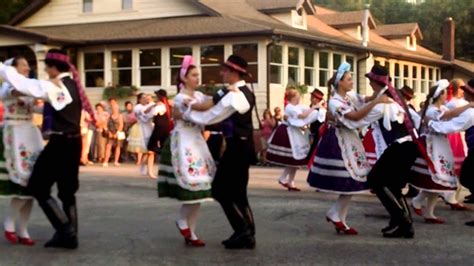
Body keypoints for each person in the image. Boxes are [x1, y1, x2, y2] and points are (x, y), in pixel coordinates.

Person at [0, 49, 96, 249]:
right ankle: (71, 235)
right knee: (67, 191)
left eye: (46, 66)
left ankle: (66, 232)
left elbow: (25, 85)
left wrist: (2, 68)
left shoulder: (56, 86)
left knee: (38, 187)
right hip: (74, 141)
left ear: (53, 68)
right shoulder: (72, 85)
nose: (44, 70)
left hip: (60, 143)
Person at [180, 55, 256, 249]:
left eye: (224, 70)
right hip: (241, 146)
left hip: (238, 147)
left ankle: (243, 232)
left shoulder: (235, 94)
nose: (221, 73)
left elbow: (212, 116)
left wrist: (185, 114)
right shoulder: (243, 91)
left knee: (221, 191)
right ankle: (247, 232)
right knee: (238, 193)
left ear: (233, 73)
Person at [307, 62, 387, 235]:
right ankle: (336, 215)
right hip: (339, 141)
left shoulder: (348, 97)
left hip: (350, 139)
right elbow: (355, 115)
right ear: (340, 82)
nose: (352, 82)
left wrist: (379, 83)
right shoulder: (335, 102)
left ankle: (339, 217)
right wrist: (377, 101)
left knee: (352, 181)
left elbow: (366, 99)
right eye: (349, 79)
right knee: (350, 180)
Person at [410, 80, 473, 223]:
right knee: (437, 178)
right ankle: (423, 207)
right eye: (445, 93)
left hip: (441, 145)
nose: (447, 96)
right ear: (440, 95)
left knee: (440, 180)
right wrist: (469, 105)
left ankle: (422, 206)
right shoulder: (432, 110)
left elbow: (450, 114)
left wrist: (468, 106)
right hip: (433, 145)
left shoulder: (441, 108)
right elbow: (446, 116)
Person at [0, 56, 43, 246]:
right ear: (13, 69)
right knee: (22, 183)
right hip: (15, 134)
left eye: (27, 65)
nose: (27, 68)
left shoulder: (30, 87)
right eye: (23, 65)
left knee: (33, 186)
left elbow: (38, 107)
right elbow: (16, 91)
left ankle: (22, 228)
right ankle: (9, 223)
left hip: (30, 134)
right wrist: (40, 90)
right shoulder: (8, 87)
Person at [427, 79, 474, 226]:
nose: (463, 92)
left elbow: (453, 126)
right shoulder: (468, 108)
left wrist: (429, 123)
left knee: (467, 176)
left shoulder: (471, 112)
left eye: (466, 90)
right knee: (467, 175)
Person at [267, 89, 324, 191]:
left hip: (294, 132)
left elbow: (304, 112)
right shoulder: (290, 107)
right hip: (287, 133)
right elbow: (302, 115)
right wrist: (314, 107)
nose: (299, 99)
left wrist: (316, 108)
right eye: (297, 97)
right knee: (294, 159)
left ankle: (288, 181)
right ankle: (285, 180)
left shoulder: (297, 106)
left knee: (296, 160)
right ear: (292, 98)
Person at [445, 79, 471, 204]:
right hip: (457, 136)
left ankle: (452, 195)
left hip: (457, 135)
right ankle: (451, 195)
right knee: (460, 170)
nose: (463, 92)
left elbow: (455, 123)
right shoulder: (456, 103)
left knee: (463, 172)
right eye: (462, 88)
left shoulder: (456, 104)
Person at [134, 93, 159, 178]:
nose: (146, 99)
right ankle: (149, 170)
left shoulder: (149, 106)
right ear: (139, 99)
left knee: (150, 151)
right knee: (149, 151)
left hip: (150, 128)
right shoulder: (138, 107)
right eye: (144, 98)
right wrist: (153, 105)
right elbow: (144, 111)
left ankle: (147, 168)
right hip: (142, 130)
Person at [147, 90, 171, 156]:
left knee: (151, 144)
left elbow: (152, 114)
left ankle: (156, 150)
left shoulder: (160, 105)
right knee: (163, 141)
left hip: (160, 125)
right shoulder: (167, 103)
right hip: (166, 125)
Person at [103, 98, 124, 167]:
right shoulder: (109, 116)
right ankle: (106, 161)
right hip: (110, 132)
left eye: (116, 108)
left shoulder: (120, 116)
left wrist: (117, 133)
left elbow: (121, 124)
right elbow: (105, 124)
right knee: (108, 146)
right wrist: (108, 131)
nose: (115, 109)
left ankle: (116, 161)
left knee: (118, 147)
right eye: (113, 108)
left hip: (118, 132)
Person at [306, 88, 326, 161]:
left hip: (317, 134)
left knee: (315, 149)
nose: (310, 99)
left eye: (312, 97)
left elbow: (321, 121)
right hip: (313, 132)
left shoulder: (320, 110)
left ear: (317, 99)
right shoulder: (313, 108)